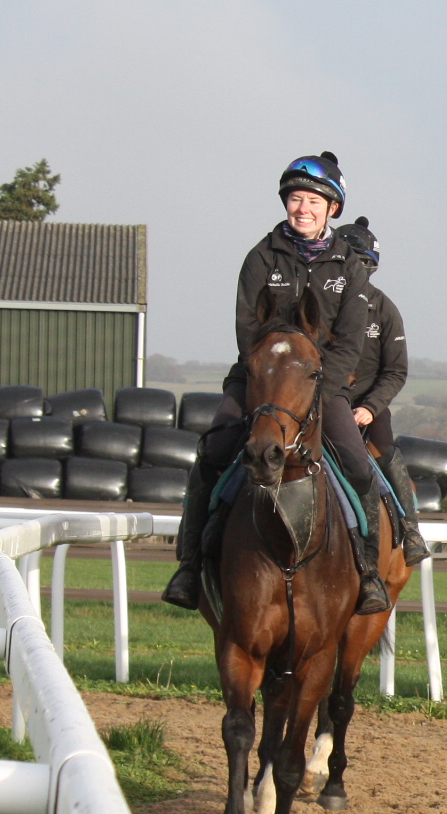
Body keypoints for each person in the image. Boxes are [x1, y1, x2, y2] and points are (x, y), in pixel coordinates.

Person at [160, 152, 398, 616]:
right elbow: (247, 330)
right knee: (212, 452)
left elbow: (349, 344)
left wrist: (313, 388)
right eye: (295, 199)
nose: (302, 208)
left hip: (321, 387)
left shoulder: (349, 267)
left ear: (332, 208)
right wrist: (270, 380)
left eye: (312, 200)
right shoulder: (260, 257)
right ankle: (190, 566)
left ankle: (368, 573)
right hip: (258, 381)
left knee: (357, 464)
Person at [341, 281, 431, 567]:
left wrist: (370, 407)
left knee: (383, 447)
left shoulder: (383, 308)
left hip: (368, 404)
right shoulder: (319, 298)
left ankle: (410, 529)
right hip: (323, 401)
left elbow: (395, 370)